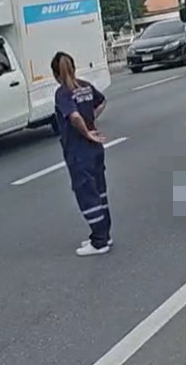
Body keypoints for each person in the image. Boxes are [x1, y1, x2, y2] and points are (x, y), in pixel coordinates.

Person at [51, 51, 112, 256]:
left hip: (79, 149)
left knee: (86, 194)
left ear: (55, 74)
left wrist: (85, 131)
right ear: (74, 67)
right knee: (100, 191)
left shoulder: (63, 93)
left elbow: (74, 116)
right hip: (95, 149)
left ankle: (99, 241)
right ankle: (104, 235)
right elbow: (101, 101)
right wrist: (91, 120)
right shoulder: (85, 86)